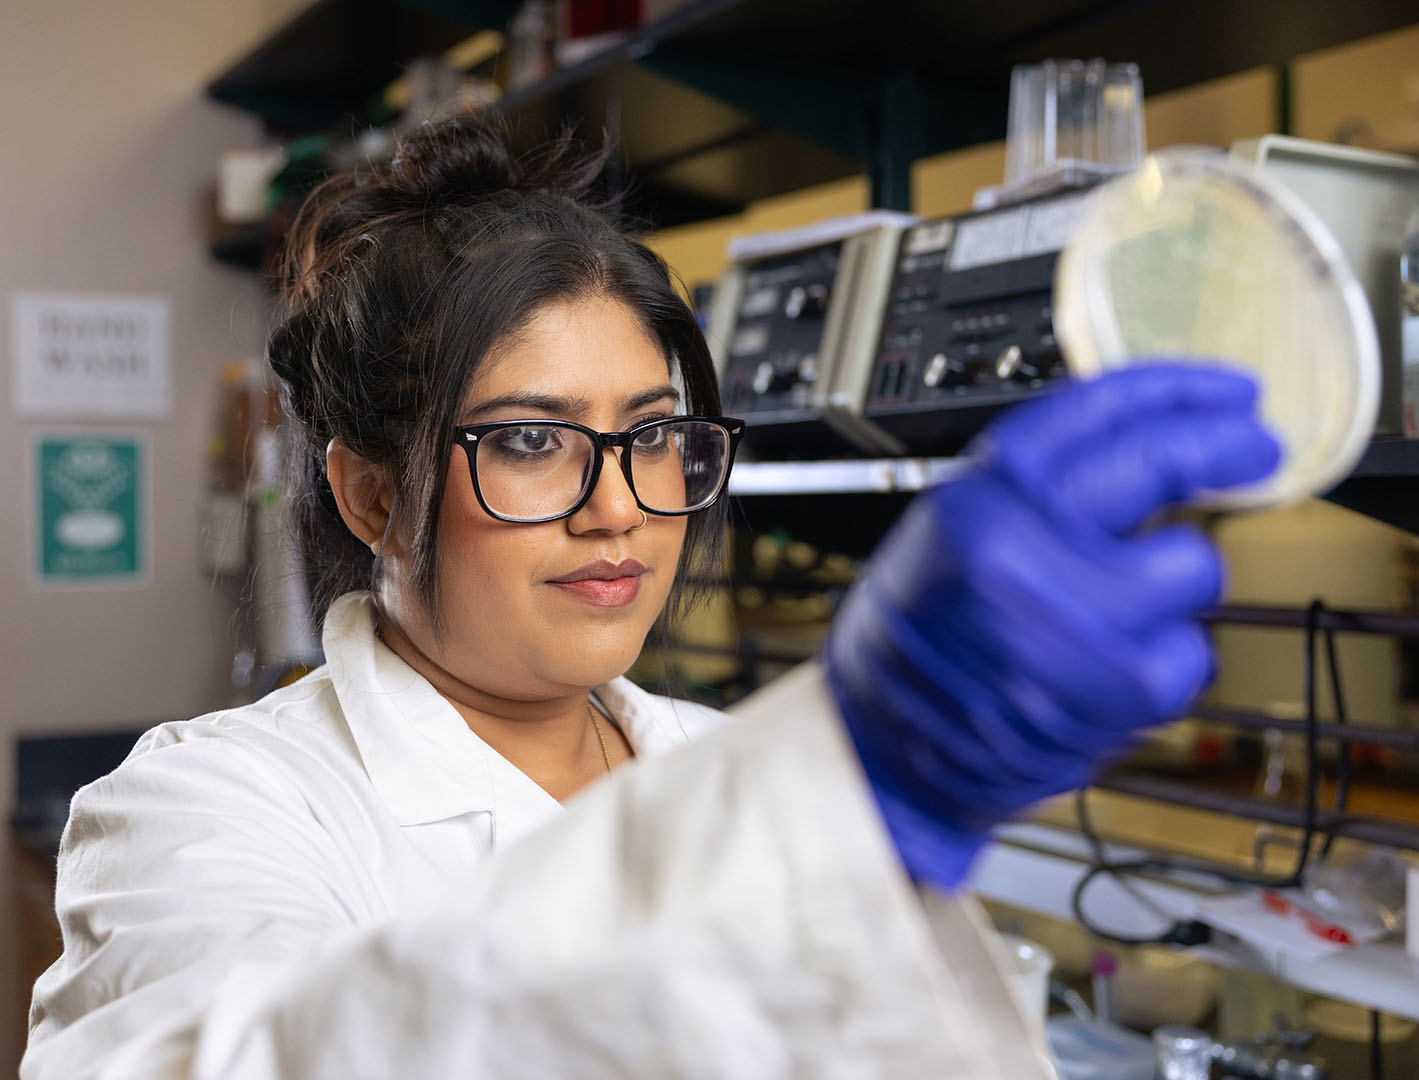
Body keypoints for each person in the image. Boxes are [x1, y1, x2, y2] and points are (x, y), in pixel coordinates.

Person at [22, 115, 1280, 1079]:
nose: (619, 505)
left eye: (655, 435)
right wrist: (841, 798)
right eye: (531, 440)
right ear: (369, 495)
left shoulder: (724, 762)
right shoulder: (204, 807)